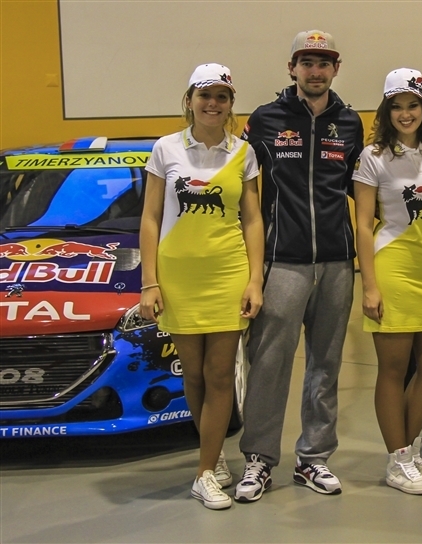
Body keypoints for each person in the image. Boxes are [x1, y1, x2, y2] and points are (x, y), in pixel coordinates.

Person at [236, 30, 364, 501]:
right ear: (292, 68)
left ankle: (314, 458)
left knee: (325, 364)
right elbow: (241, 189)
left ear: (336, 68)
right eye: (307, 62)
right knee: (269, 363)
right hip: (282, 261)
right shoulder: (265, 120)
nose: (315, 71)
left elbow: (363, 191)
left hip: (336, 262)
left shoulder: (349, 123)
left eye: (323, 63)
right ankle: (259, 459)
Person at [139, 63, 264, 510]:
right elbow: (151, 217)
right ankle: (214, 456)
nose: (213, 104)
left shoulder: (244, 152)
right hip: (177, 277)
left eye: (222, 97)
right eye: (205, 95)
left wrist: (255, 279)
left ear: (231, 104)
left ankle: (204, 472)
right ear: (190, 99)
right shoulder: (165, 148)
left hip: (227, 273)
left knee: (220, 374)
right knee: (192, 375)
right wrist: (149, 282)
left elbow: (253, 219)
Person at [353, 68, 422, 495]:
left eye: (413, 105)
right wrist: (370, 286)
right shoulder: (373, 156)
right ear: (386, 111)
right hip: (391, 267)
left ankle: (409, 451)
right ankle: (397, 460)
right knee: (394, 371)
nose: (406, 113)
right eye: (397, 106)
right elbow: (363, 225)